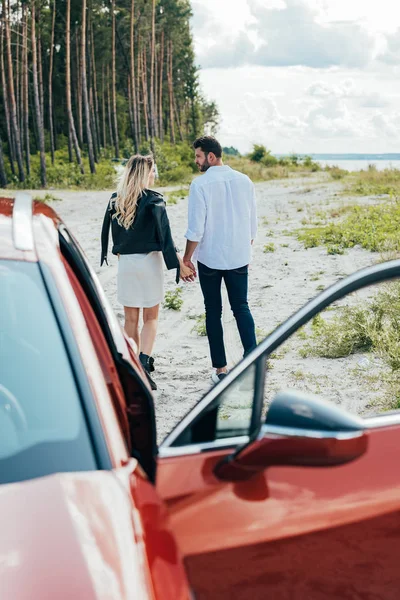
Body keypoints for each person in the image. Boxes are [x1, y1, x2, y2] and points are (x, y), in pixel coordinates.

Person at [101, 154, 194, 390]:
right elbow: (165, 238)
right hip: (150, 263)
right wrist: (180, 265)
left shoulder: (116, 200)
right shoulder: (155, 201)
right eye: (153, 171)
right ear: (145, 173)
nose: (154, 175)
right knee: (151, 318)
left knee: (130, 319)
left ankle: (131, 366)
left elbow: (114, 240)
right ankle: (144, 362)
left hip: (127, 265)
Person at [182, 136, 257, 384]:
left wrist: (187, 258)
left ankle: (221, 371)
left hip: (210, 258)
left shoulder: (200, 185)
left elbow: (196, 229)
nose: (196, 161)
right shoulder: (245, 181)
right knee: (241, 307)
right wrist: (245, 246)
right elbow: (252, 222)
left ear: (211, 157)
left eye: (198, 156)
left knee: (213, 311)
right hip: (238, 256)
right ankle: (252, 362)